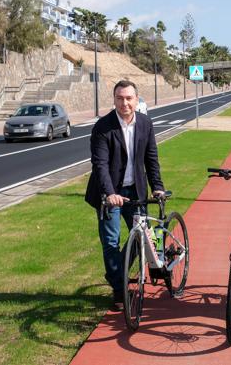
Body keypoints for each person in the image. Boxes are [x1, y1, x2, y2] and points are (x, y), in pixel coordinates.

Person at [85, 80, 165, 310]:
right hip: (108, 193)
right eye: (120, 98)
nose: (124, 103)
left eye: (129, 98)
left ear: (136, 100)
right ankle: (119, 291)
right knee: (110, 241)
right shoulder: (103, 126)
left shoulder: (145, 123)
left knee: (143, 239)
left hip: (136, 190)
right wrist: (110, 193)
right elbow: (100, 164)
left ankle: (119, 275)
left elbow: (151, 159)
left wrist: (157, 186)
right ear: (114, 100)